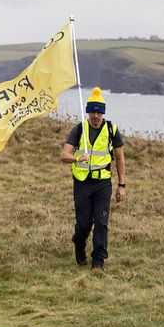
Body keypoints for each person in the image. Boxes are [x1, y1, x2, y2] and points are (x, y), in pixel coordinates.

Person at [60, 87, 126, 270]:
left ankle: (98, 261)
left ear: (103, 112)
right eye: (92, 111)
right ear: (88, 111)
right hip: (82, 184)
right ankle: (79, 244)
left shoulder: (112, 130)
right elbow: (64, 155)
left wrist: (122, 185)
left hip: (103, 183)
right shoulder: (78, 129)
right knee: (84, 224)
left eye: (99, 111)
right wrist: (77, 158)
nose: (95, 115)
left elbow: (120, 158)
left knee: (101, 222)